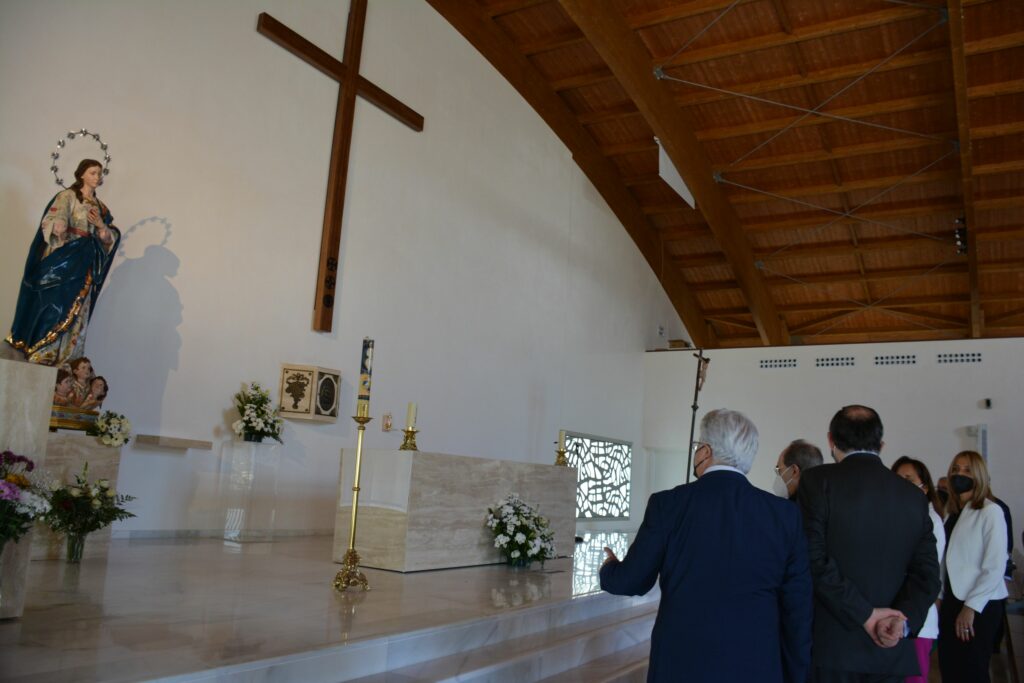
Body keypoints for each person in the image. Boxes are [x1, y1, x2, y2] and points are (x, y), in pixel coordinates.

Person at [600, 409, 812, 683]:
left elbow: (632, 581)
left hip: (680, 664)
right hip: (755, 665)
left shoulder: (668, 505)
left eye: (698, 445)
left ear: (706, 451)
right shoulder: (783, 515)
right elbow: (798, 608)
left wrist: (609, 568)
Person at [799, 405, 940, 683]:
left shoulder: (817, 481)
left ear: (831, 440)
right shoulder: (913, 496)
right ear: (881, 444)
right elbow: (927, 575)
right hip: (891, 648)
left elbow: (813, 559)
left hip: (834, 650)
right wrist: (901, 621)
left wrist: (866, 615)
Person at [5, 159, 120, 366]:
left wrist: (101, 225)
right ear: (82, 174)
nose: (97, 177)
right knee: (53, 304)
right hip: (63, 258)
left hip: (85, 262)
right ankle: (44, 351)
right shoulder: (67, 196)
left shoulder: (101, 209)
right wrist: (57, 224)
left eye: (99, 173)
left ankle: (68, 358)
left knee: (78, 310)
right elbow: (51, 219)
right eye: (93, 172)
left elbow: (108, 239)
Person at [938, 450, 1008, 683]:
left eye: (967, 470)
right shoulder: (954, 513)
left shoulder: (990, 511)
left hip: (979, 605)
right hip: (952, 600)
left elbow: (995, 566)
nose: (960, 474)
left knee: (971, 670)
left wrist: (971, 607)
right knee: (950, 666)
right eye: (956, 469)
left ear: (979, 475)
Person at [891, 456, 946, 683]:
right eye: (897, 479)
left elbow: (925, 575)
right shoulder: (894, 517)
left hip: (915, 620)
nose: (902, 485)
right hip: (892, 620)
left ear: (924, 487)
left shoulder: (930, 520)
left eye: (909, 479)